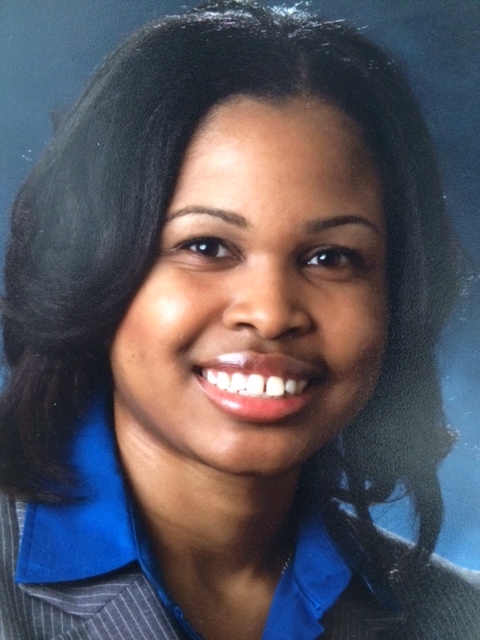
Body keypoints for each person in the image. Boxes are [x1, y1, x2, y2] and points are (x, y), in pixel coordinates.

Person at [0, 2, 478, 638]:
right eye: (206, 246)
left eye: (331, 257)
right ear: (93, 265)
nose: (271, 313)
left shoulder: (460, 615)